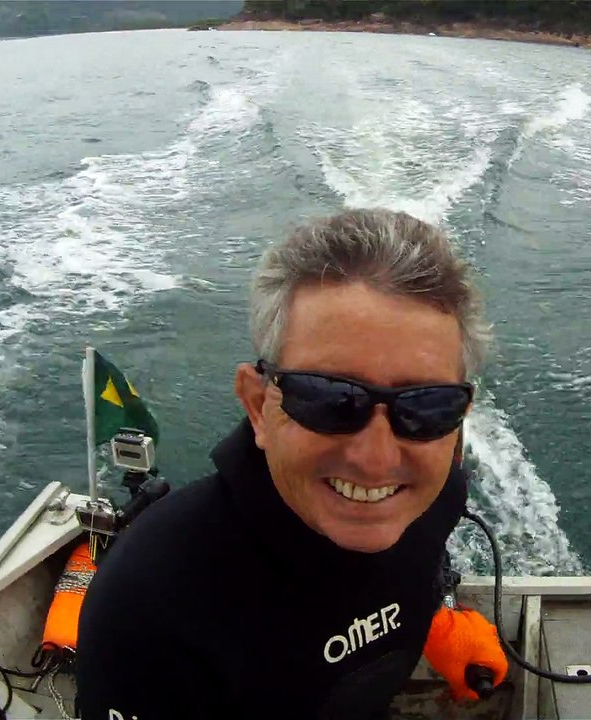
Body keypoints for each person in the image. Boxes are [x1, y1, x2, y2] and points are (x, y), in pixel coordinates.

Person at [75, 208, 493, 720]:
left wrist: (437, 616)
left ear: (458, 422)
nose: (377, 459)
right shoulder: (153, 602)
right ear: (257, 405)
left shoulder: (439, 493)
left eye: (426, 407)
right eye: (331, 400)